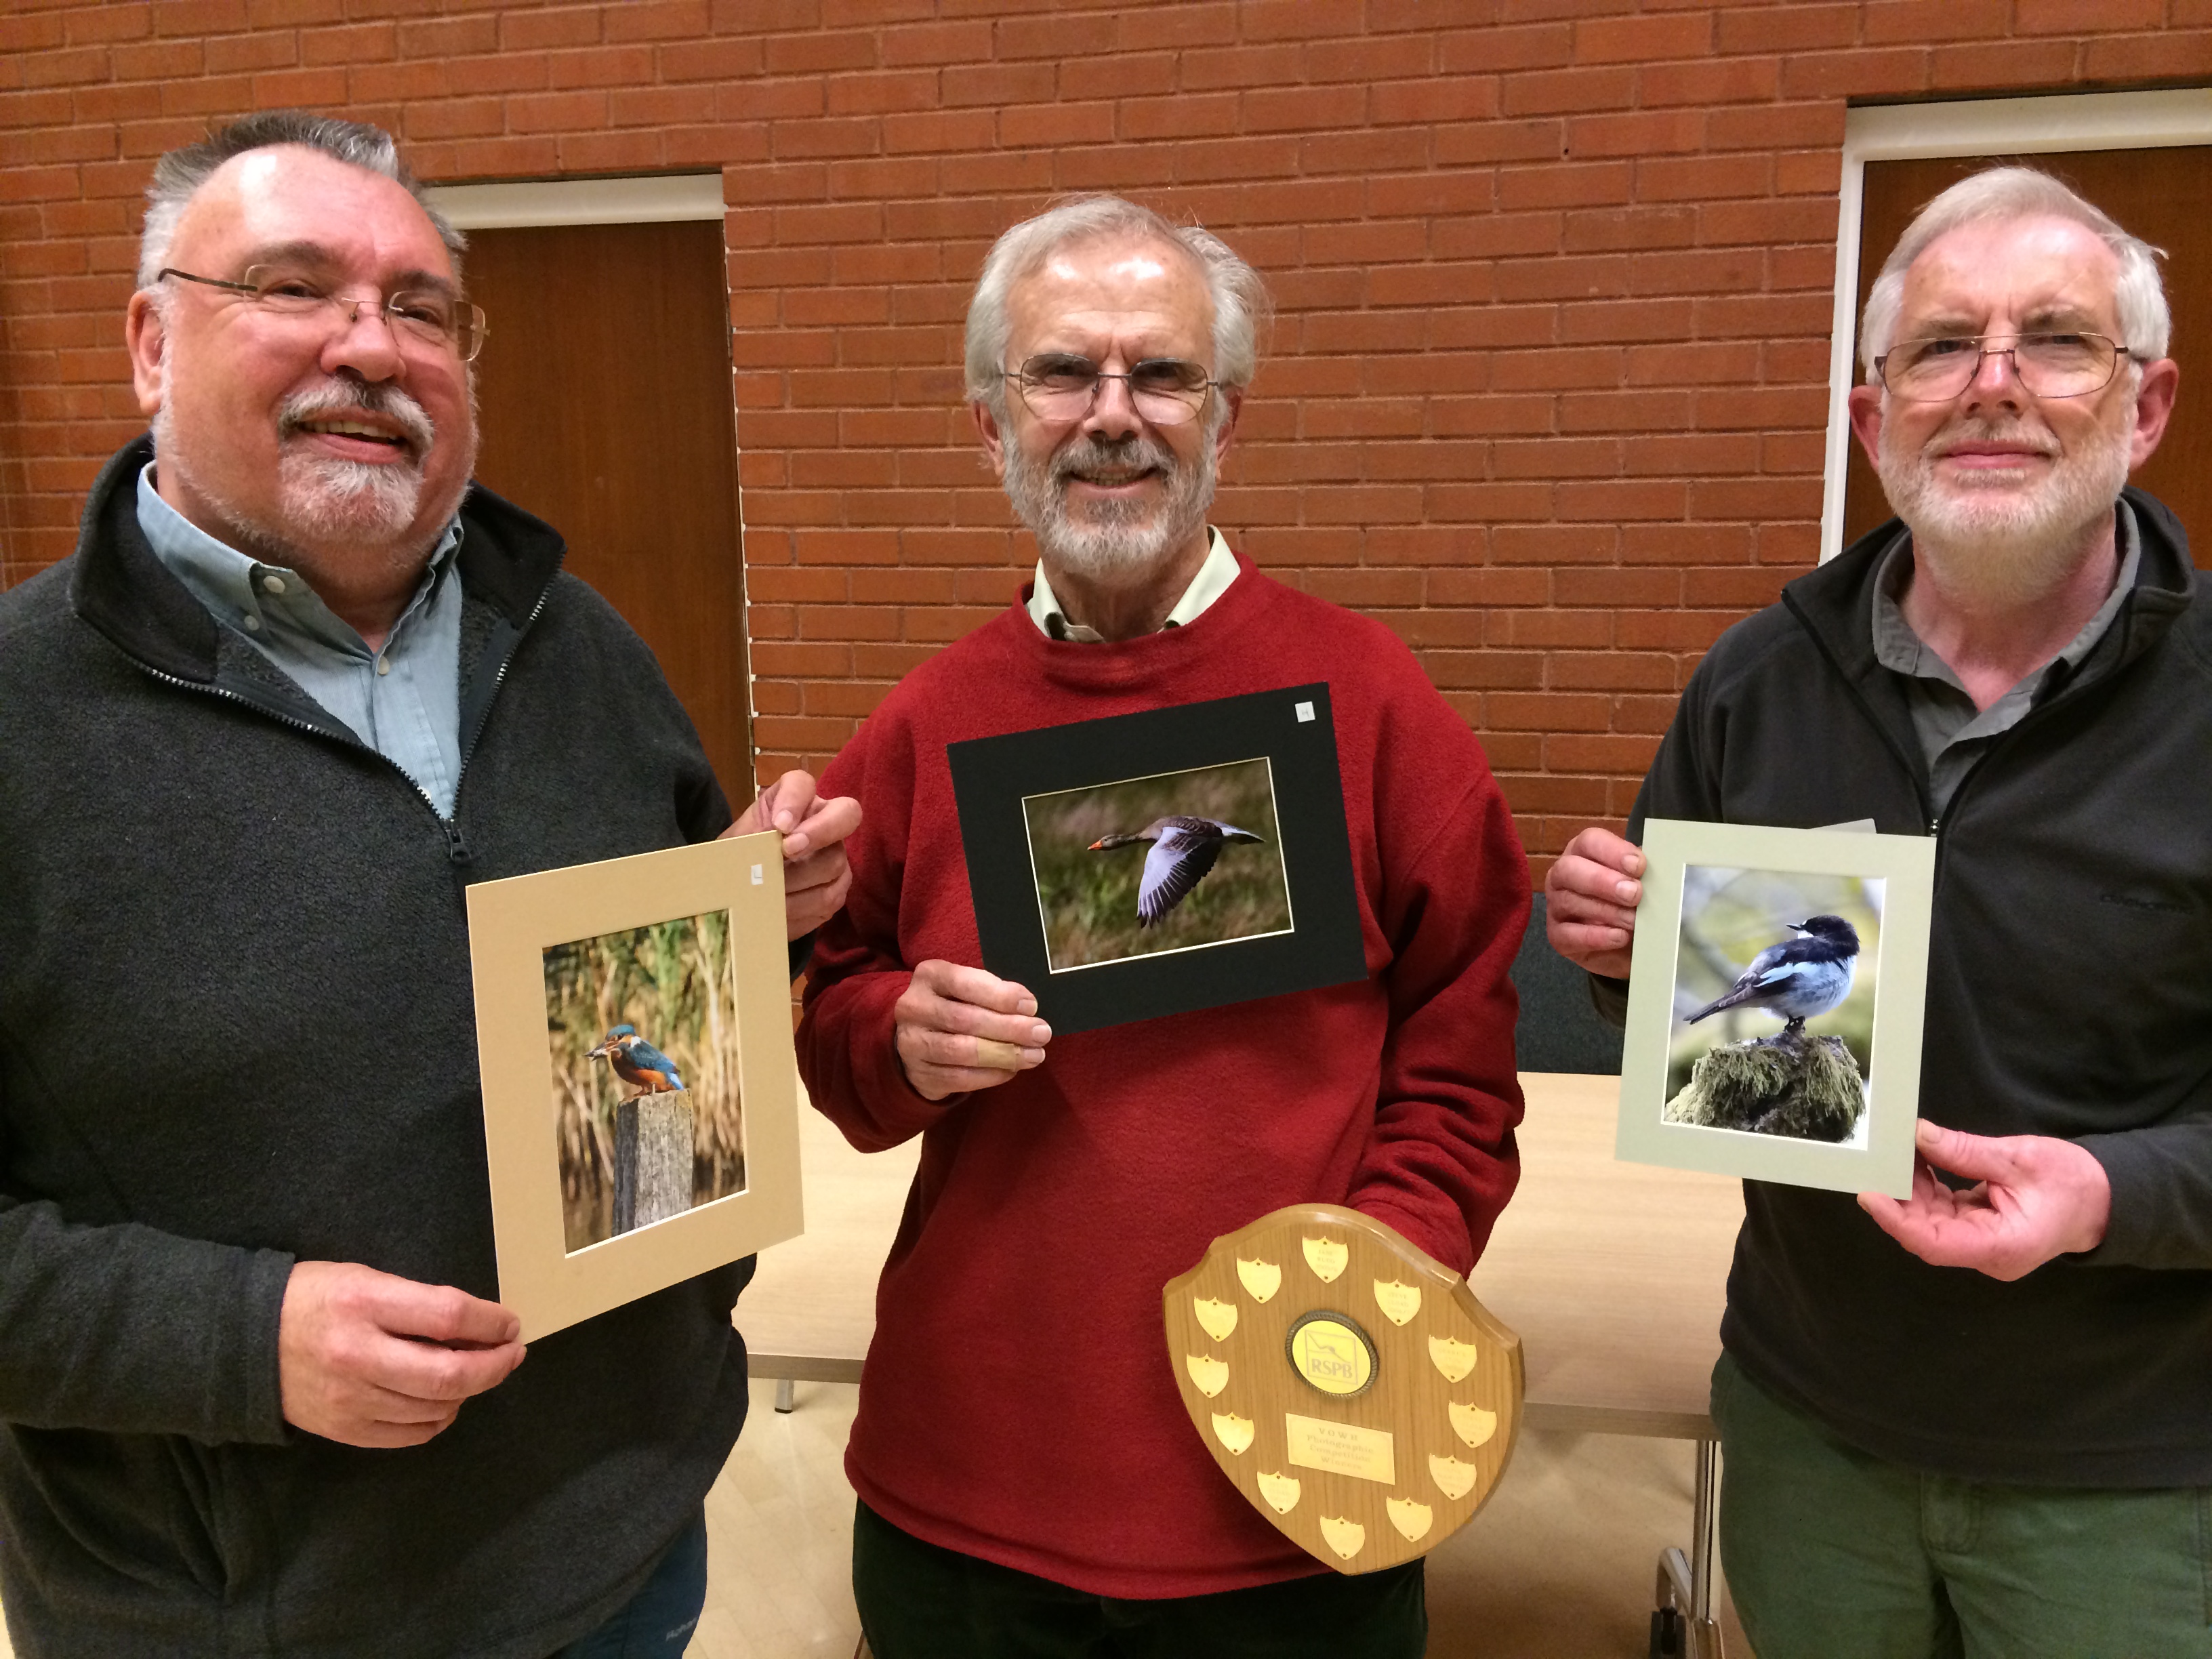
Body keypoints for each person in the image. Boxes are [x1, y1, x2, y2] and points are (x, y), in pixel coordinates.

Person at [0, 111, 855, 1659]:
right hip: (245, 1617)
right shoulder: (16, 721)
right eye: (293, 287)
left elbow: (644, 1028)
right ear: (149, 342)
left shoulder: (578, 642)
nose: (372, 346)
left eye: (421, 307)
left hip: (628, 1544)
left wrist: (742, 918)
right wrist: (237, 1340)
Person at [795, 195, 1530, 1656]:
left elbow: (1461, 1069)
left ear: (1226, 419)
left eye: (1164, 375)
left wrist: (1369, 1285)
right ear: (990, 423)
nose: (1113, 416)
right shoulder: (925, 724)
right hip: (973, 1490)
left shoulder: (1373, 703)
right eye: (1065, 372)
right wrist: (897, 1039)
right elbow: (838, 1023)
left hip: (1299, 1479)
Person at [1547, 166, 2212, 1658]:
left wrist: (2111, 1196)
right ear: (1873, 419)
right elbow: (1695, 1020)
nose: (1993, 385)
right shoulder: (1755, 681)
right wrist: (1622, 954)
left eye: (2056, 340)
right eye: (1940, 348)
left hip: (2134, 1476)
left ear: (2146, 405)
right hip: (1810, 1431)